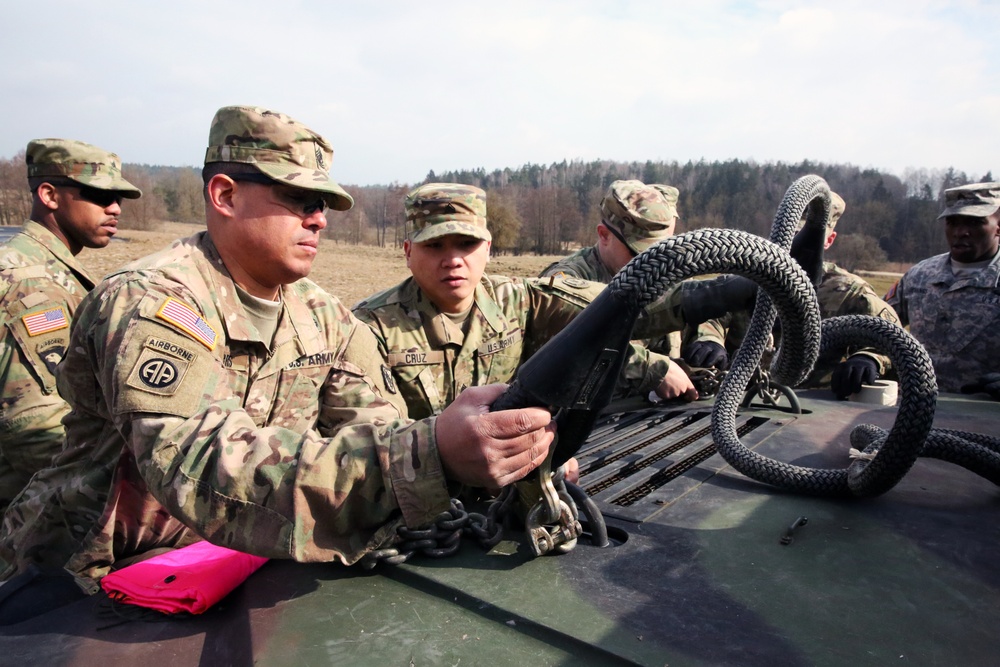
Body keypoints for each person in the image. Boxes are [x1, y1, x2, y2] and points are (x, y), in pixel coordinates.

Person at [0, 106, 556, 611]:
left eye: (324, 205)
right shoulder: (152, 301)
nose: (318, 219)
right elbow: (201, 466)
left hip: (239, 565)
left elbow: (376, 421)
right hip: (87, 585)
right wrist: (430, 455)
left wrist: (496, 457)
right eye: (298, 200)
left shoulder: (324, 315)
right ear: (224, 194)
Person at [352, 182, 699, 433]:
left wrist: (656, 363)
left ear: (488, 248)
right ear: (408, 251)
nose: (453, 260)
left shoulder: (516, 300)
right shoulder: (370, 328)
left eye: (466, 243)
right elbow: (378, 438)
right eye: (434, 246)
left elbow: (608, 312)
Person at [0, 139, 141, 511]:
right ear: (49, 195)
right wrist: (114, 503)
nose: (114, 209)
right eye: (98, 195)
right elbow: (37, 426)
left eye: (119, 199)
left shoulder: (44, 270)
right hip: (25, 517)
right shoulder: (33, 284)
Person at [682, 191, 901, 398]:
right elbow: (713, 315)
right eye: (792, 234)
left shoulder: (848, 292)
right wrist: (710, 341)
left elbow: (890, 337)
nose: (798, 243)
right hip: (738, 400)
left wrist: (868, 358)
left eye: (809, 237)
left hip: (810, 405)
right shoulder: (751, 279)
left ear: (829, 239)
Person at [539, 180, 685, 359]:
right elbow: (580, 343)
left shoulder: (661, 271)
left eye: (656, 252)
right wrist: (653, 369)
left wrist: (708, 339)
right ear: (604, 235)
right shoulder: (567, 278)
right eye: (637, 252)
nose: (649, 263)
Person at [885, 181, 1000, 397]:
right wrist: (868, 357)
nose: (960, 232)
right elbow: (879, 323)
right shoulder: (920, 275)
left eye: (974, 223)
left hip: (983, 416)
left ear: (998, 226)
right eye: (952, 222)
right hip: (913, 408)